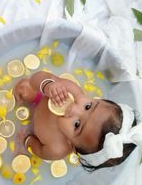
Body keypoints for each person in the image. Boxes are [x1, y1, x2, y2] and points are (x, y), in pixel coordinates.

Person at [13, 71, 141, 171]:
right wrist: (47, 85)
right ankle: (35, 98)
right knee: (24, 86)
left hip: (35, 129)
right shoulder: (72, 91)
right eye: (88, 106)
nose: (73, 108)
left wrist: (28, 141)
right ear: (97, 99)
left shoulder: (57, 149)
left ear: (72, 145)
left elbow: (40, 151)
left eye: (77, 125)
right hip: (41, 98)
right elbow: (37, 78)